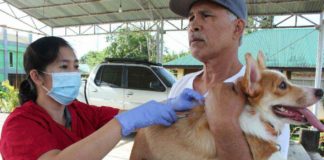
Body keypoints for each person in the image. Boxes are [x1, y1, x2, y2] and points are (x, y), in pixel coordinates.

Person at [0, 36, 204, 159]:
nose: (74, 73)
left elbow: (133, 115)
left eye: (76, 66)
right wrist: (121, 124)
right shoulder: (19, 126)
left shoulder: (78, 111)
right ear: (36, 76)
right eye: (64, 67)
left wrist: (170, 105)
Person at [168, 0, 290, 159]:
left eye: (206, 15)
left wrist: (226, 127)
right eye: (191, 18)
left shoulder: (264, 90)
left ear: (237, 28)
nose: (194, 25)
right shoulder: (181, 86)